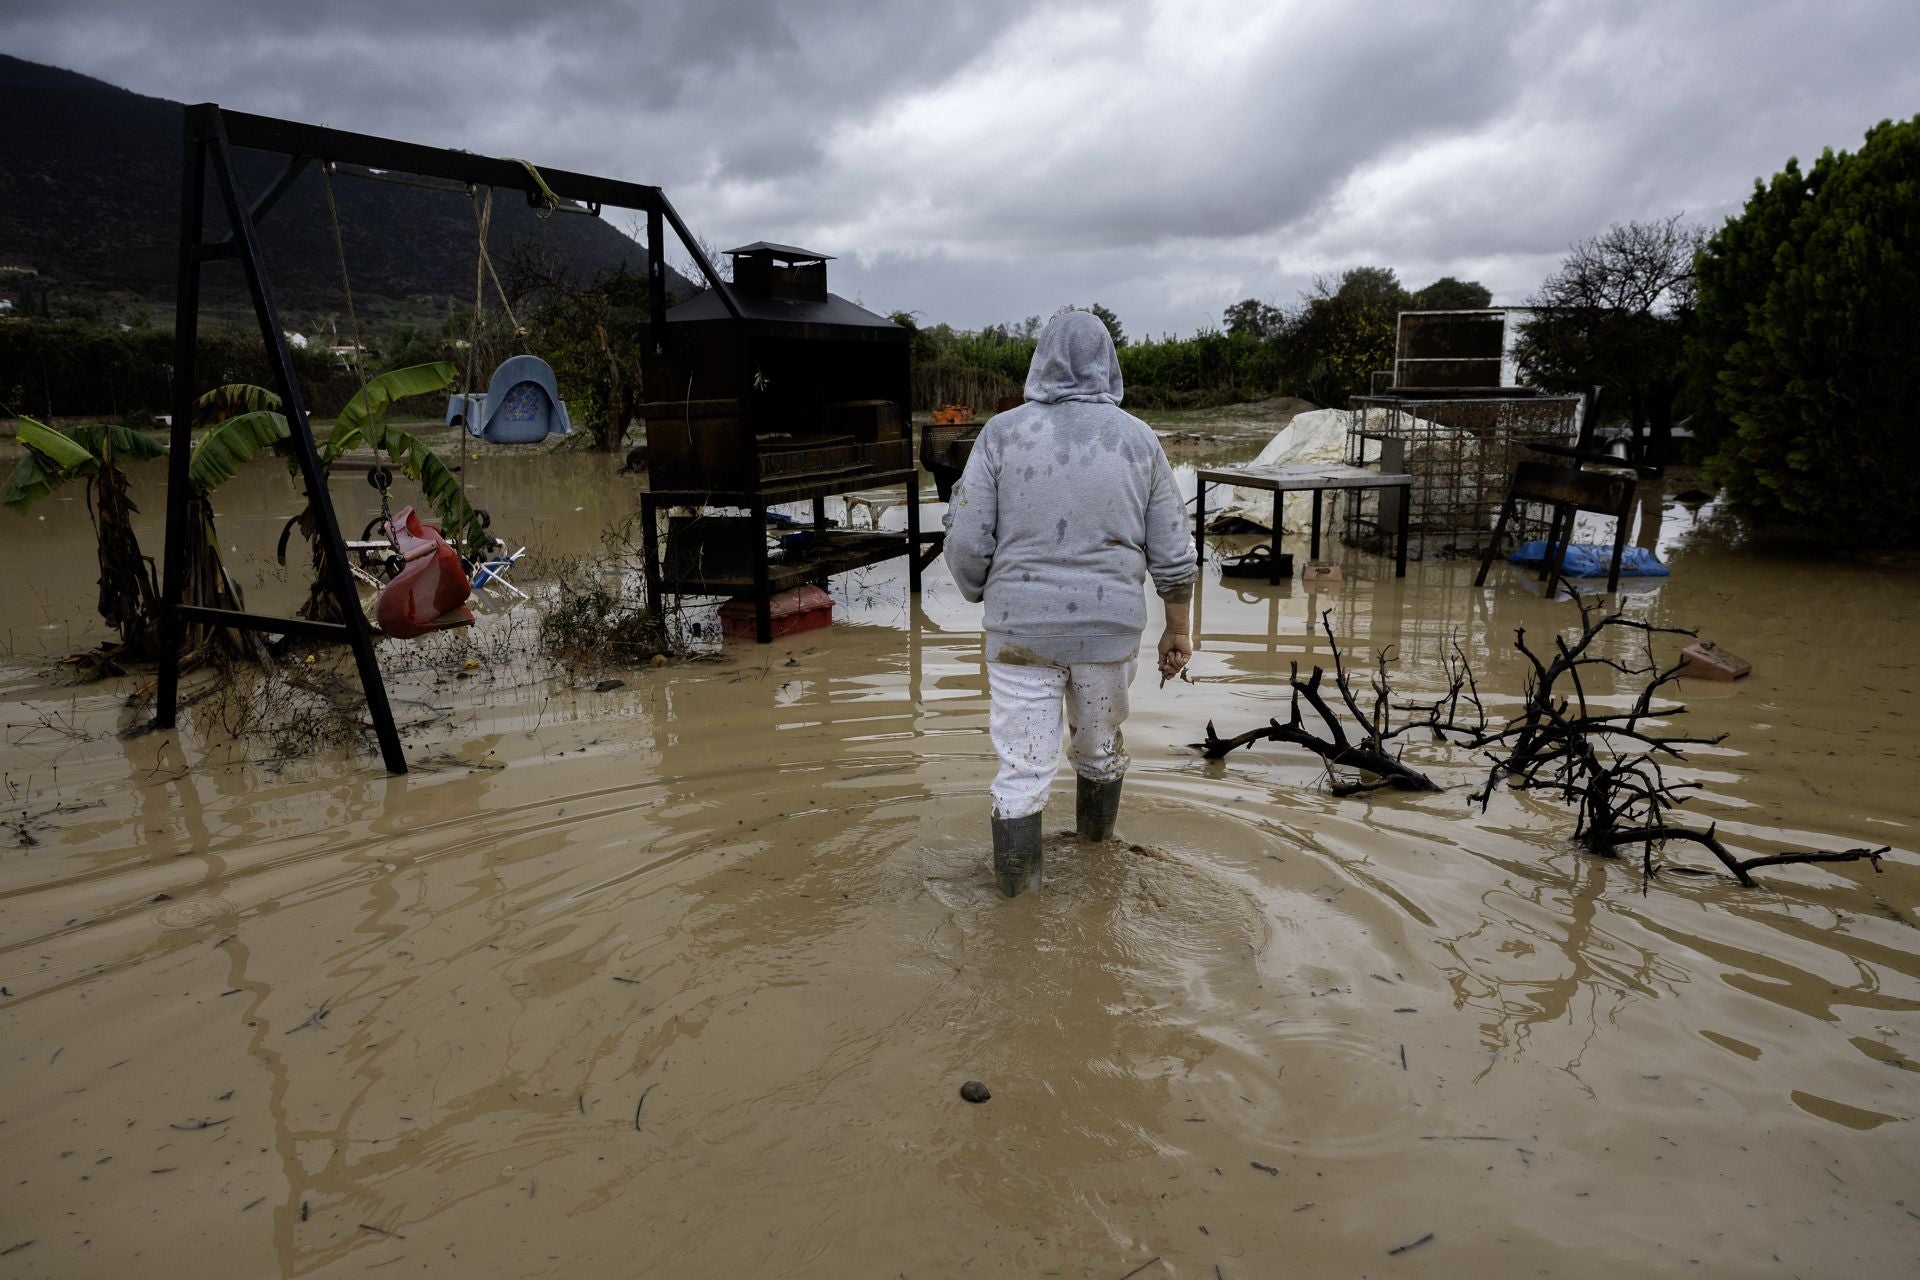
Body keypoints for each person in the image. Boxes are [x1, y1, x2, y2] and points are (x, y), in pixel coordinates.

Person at [942, 309, 1197, 897]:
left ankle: (1018, 910)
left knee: (1023, 771)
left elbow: (966, 540)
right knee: (1100, 749)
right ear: (1109, 365)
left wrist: (985, 593)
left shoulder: (1001, 434)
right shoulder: (1140, 440)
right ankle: (1096, 859)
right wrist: (1177, 629)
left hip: (1019, 634)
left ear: (1041, 362)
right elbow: (1174, 553)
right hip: (1109, 633)